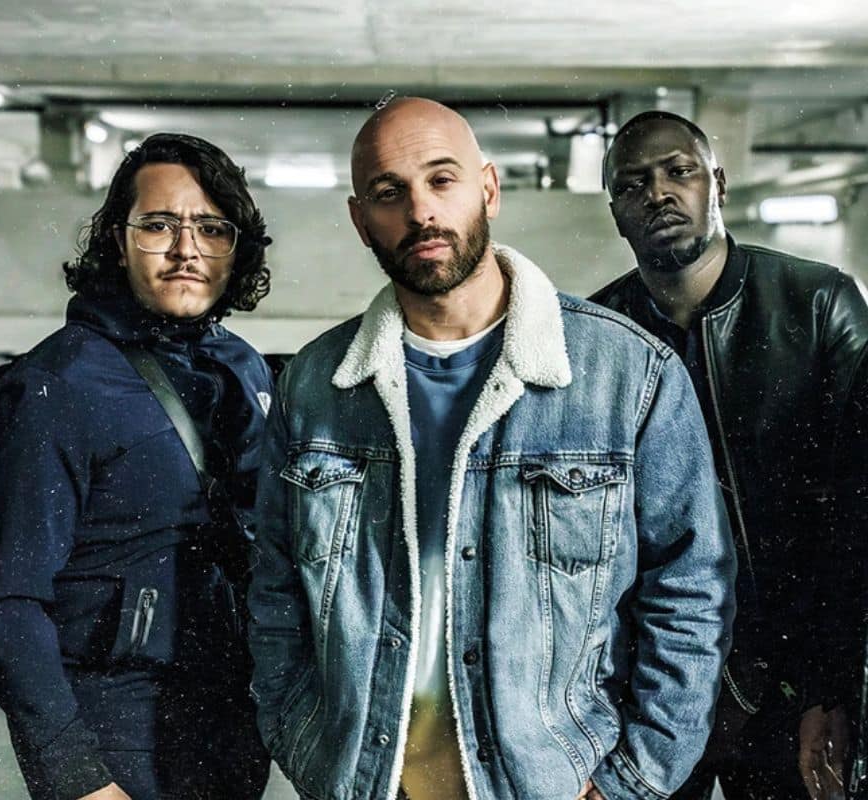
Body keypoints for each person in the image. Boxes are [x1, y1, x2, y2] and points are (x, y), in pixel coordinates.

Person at [247, 97, 736, 800]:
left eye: (442, 180)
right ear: (361, 220)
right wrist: (300, 736)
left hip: (554, 782)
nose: (421, 212)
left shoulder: (628, 375)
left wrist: (632, 780)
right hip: (365, 780)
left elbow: (690, 593)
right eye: (390, 193)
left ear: (489, 188)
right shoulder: (317, 386)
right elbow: (275, 589)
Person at [0, 133, 274, 800]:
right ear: (117, 239)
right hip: (116, 735)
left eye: (211, 228)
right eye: (158, 225)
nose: (186, 249)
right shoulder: (58, 385)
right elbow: (10, 603)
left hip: (229, 730)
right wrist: (76, 774)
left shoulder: (243, 369)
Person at [591, 110, 868, 800]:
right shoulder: (596, 337)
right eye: (633, 184)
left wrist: (829, 687)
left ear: (717, 182)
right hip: (652, 693)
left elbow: (857, 522)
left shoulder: (817, 303)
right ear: (617, 213)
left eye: (678, 171)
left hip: (792, 682)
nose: (659, 193)